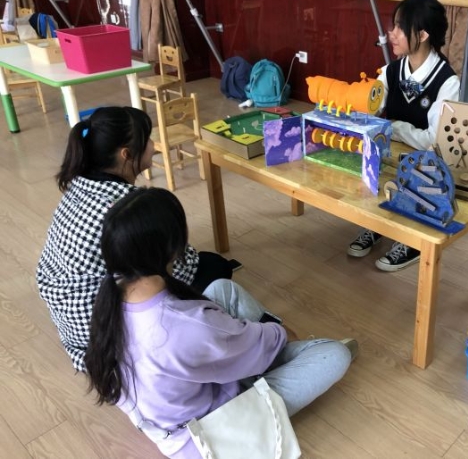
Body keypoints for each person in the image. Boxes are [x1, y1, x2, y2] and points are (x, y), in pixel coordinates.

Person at [85, 188, 356, 459]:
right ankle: (295, 355)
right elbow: (219, 336)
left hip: (171, 421)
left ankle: (277, 354)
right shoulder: (185, 326)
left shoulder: (111, 300)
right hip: (214, 431)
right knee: (334, 354)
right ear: (172, 247)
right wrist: (280, 333)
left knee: (222, 288)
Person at [36, 107, 240, 372]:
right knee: (215, 268)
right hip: (110, 335)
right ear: (126, 154)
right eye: (148, 140)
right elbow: (179, 268)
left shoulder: (79, 185)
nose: (154, 146)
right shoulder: (127, 208)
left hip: (73, 324)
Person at [348, 0, 460, 271]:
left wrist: (392, 127)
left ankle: (412, 241)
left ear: (422, 35)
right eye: (393, 25)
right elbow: (371, 111)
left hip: (425, 164)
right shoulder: (390, 71)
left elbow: (434, 139)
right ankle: (377, 223)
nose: (392, 34)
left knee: (421, 183)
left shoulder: (447, 82)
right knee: (368, 160)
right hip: (392, 154)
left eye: (400, 27)